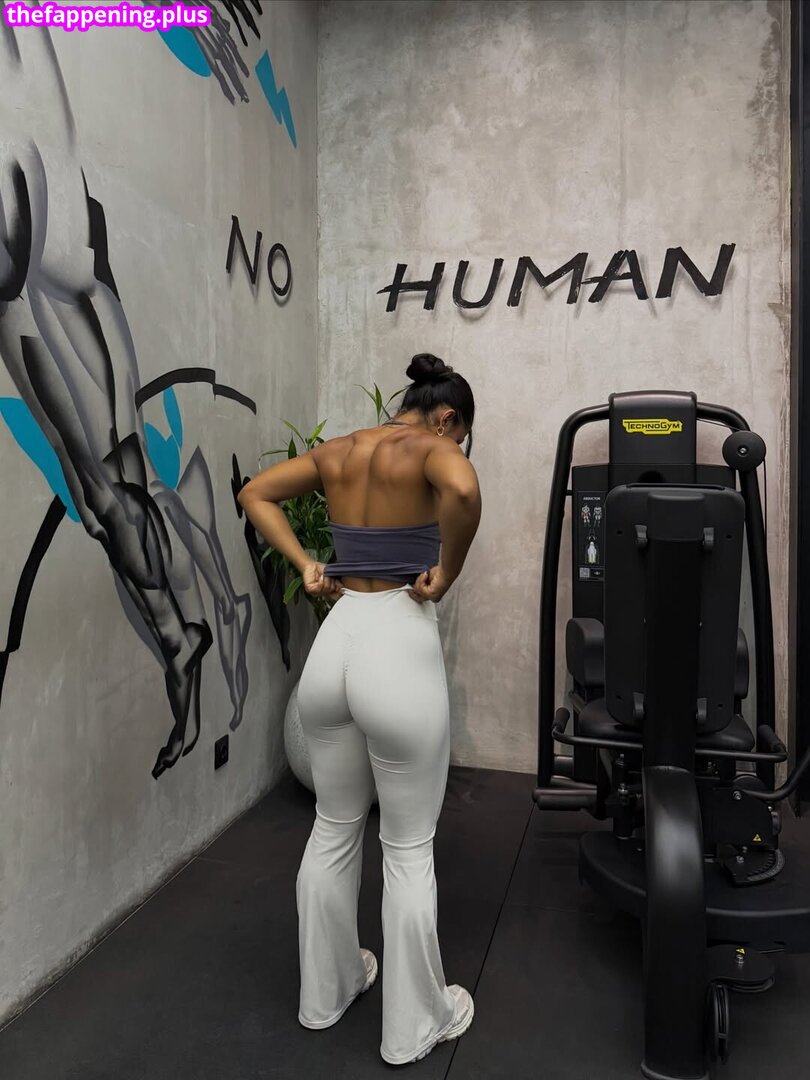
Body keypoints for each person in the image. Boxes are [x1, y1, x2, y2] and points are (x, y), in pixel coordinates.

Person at [238, 352, 481, 1065]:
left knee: (333, 827)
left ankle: (326, 994)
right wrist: (448, 571)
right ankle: (414, 1027)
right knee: (406, 849)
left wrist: (306, 564)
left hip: (335, 646)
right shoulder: (432, 448)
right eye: (460, 435)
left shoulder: (340, 449)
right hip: (397, 642)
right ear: (447, 418)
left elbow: (255, 493)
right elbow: (463, 489)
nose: (456, 447)